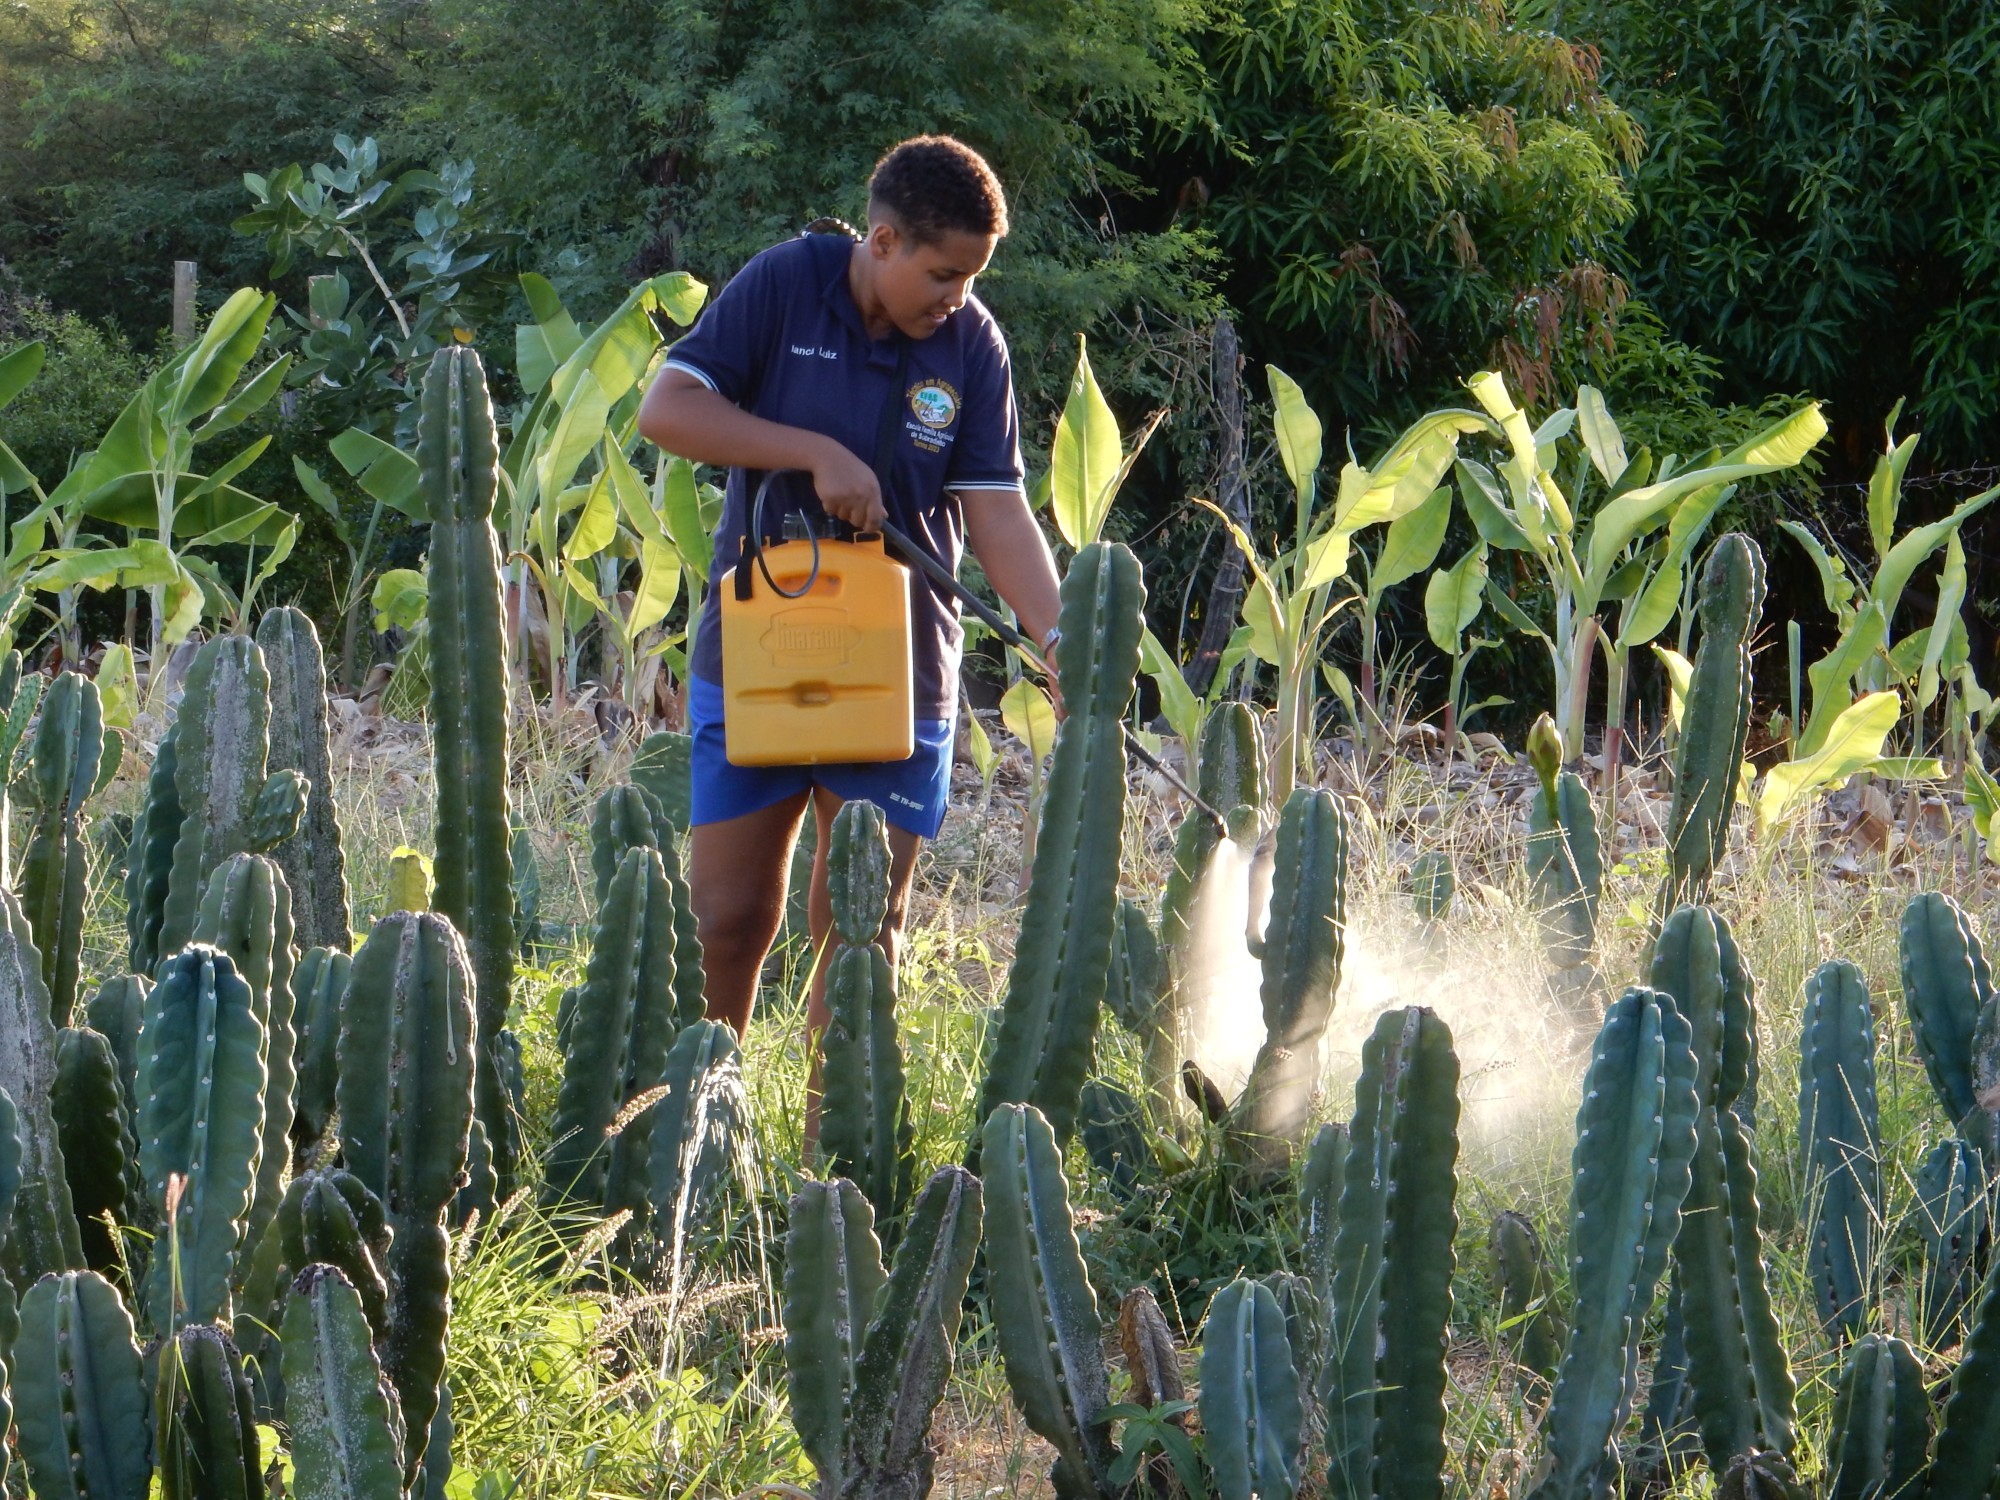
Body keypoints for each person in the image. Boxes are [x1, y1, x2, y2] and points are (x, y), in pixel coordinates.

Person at [637, 135, 1063, 1086]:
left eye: (972, 278)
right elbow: (666, 410)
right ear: (882, 240)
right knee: (727, 919)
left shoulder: (971, 343)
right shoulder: (786, 283)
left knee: (863, 934)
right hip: (760, 650)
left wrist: (1062, 638)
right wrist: (812, 452)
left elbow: (997, 508)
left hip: (898, 672)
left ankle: (832, 1161)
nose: (956, 297)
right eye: (943, 275)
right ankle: (700, 1133)